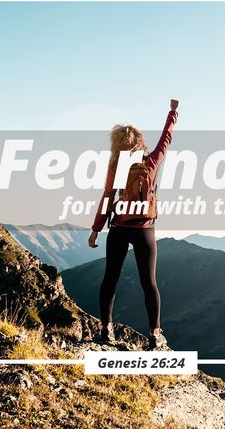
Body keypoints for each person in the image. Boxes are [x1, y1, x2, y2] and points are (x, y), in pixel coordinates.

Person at [88, 99, 179, 349]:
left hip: (118, 228)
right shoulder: (151, 162)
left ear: (116, 144)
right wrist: (172, 113)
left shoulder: (115, 167)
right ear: (139, 141)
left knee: (110, 279)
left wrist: (96, 230)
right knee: (149, 282)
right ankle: (154, 335)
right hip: (144, 230)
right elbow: (166, 139)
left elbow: (107, 198)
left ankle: (106, 330)